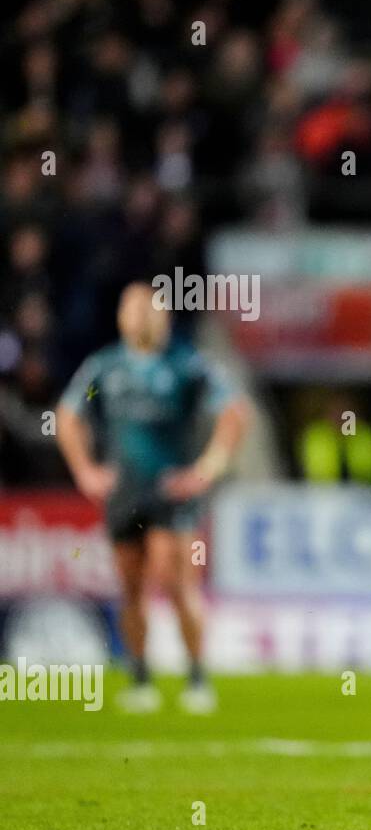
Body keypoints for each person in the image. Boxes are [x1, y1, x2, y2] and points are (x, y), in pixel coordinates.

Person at [55, 282, 248, 713]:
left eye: (150, 308)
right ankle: (140, 676)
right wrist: (85, 470)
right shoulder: (104, 370)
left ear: (166, 316)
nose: (141, 316)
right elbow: (69, 414)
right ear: (122, 317)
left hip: (171, 493)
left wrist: (206, 469)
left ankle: (197, 676)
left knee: (176, 583)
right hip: (124, 494)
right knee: (130, 588)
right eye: (133, 308)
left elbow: (234, 412)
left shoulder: (187, 366)